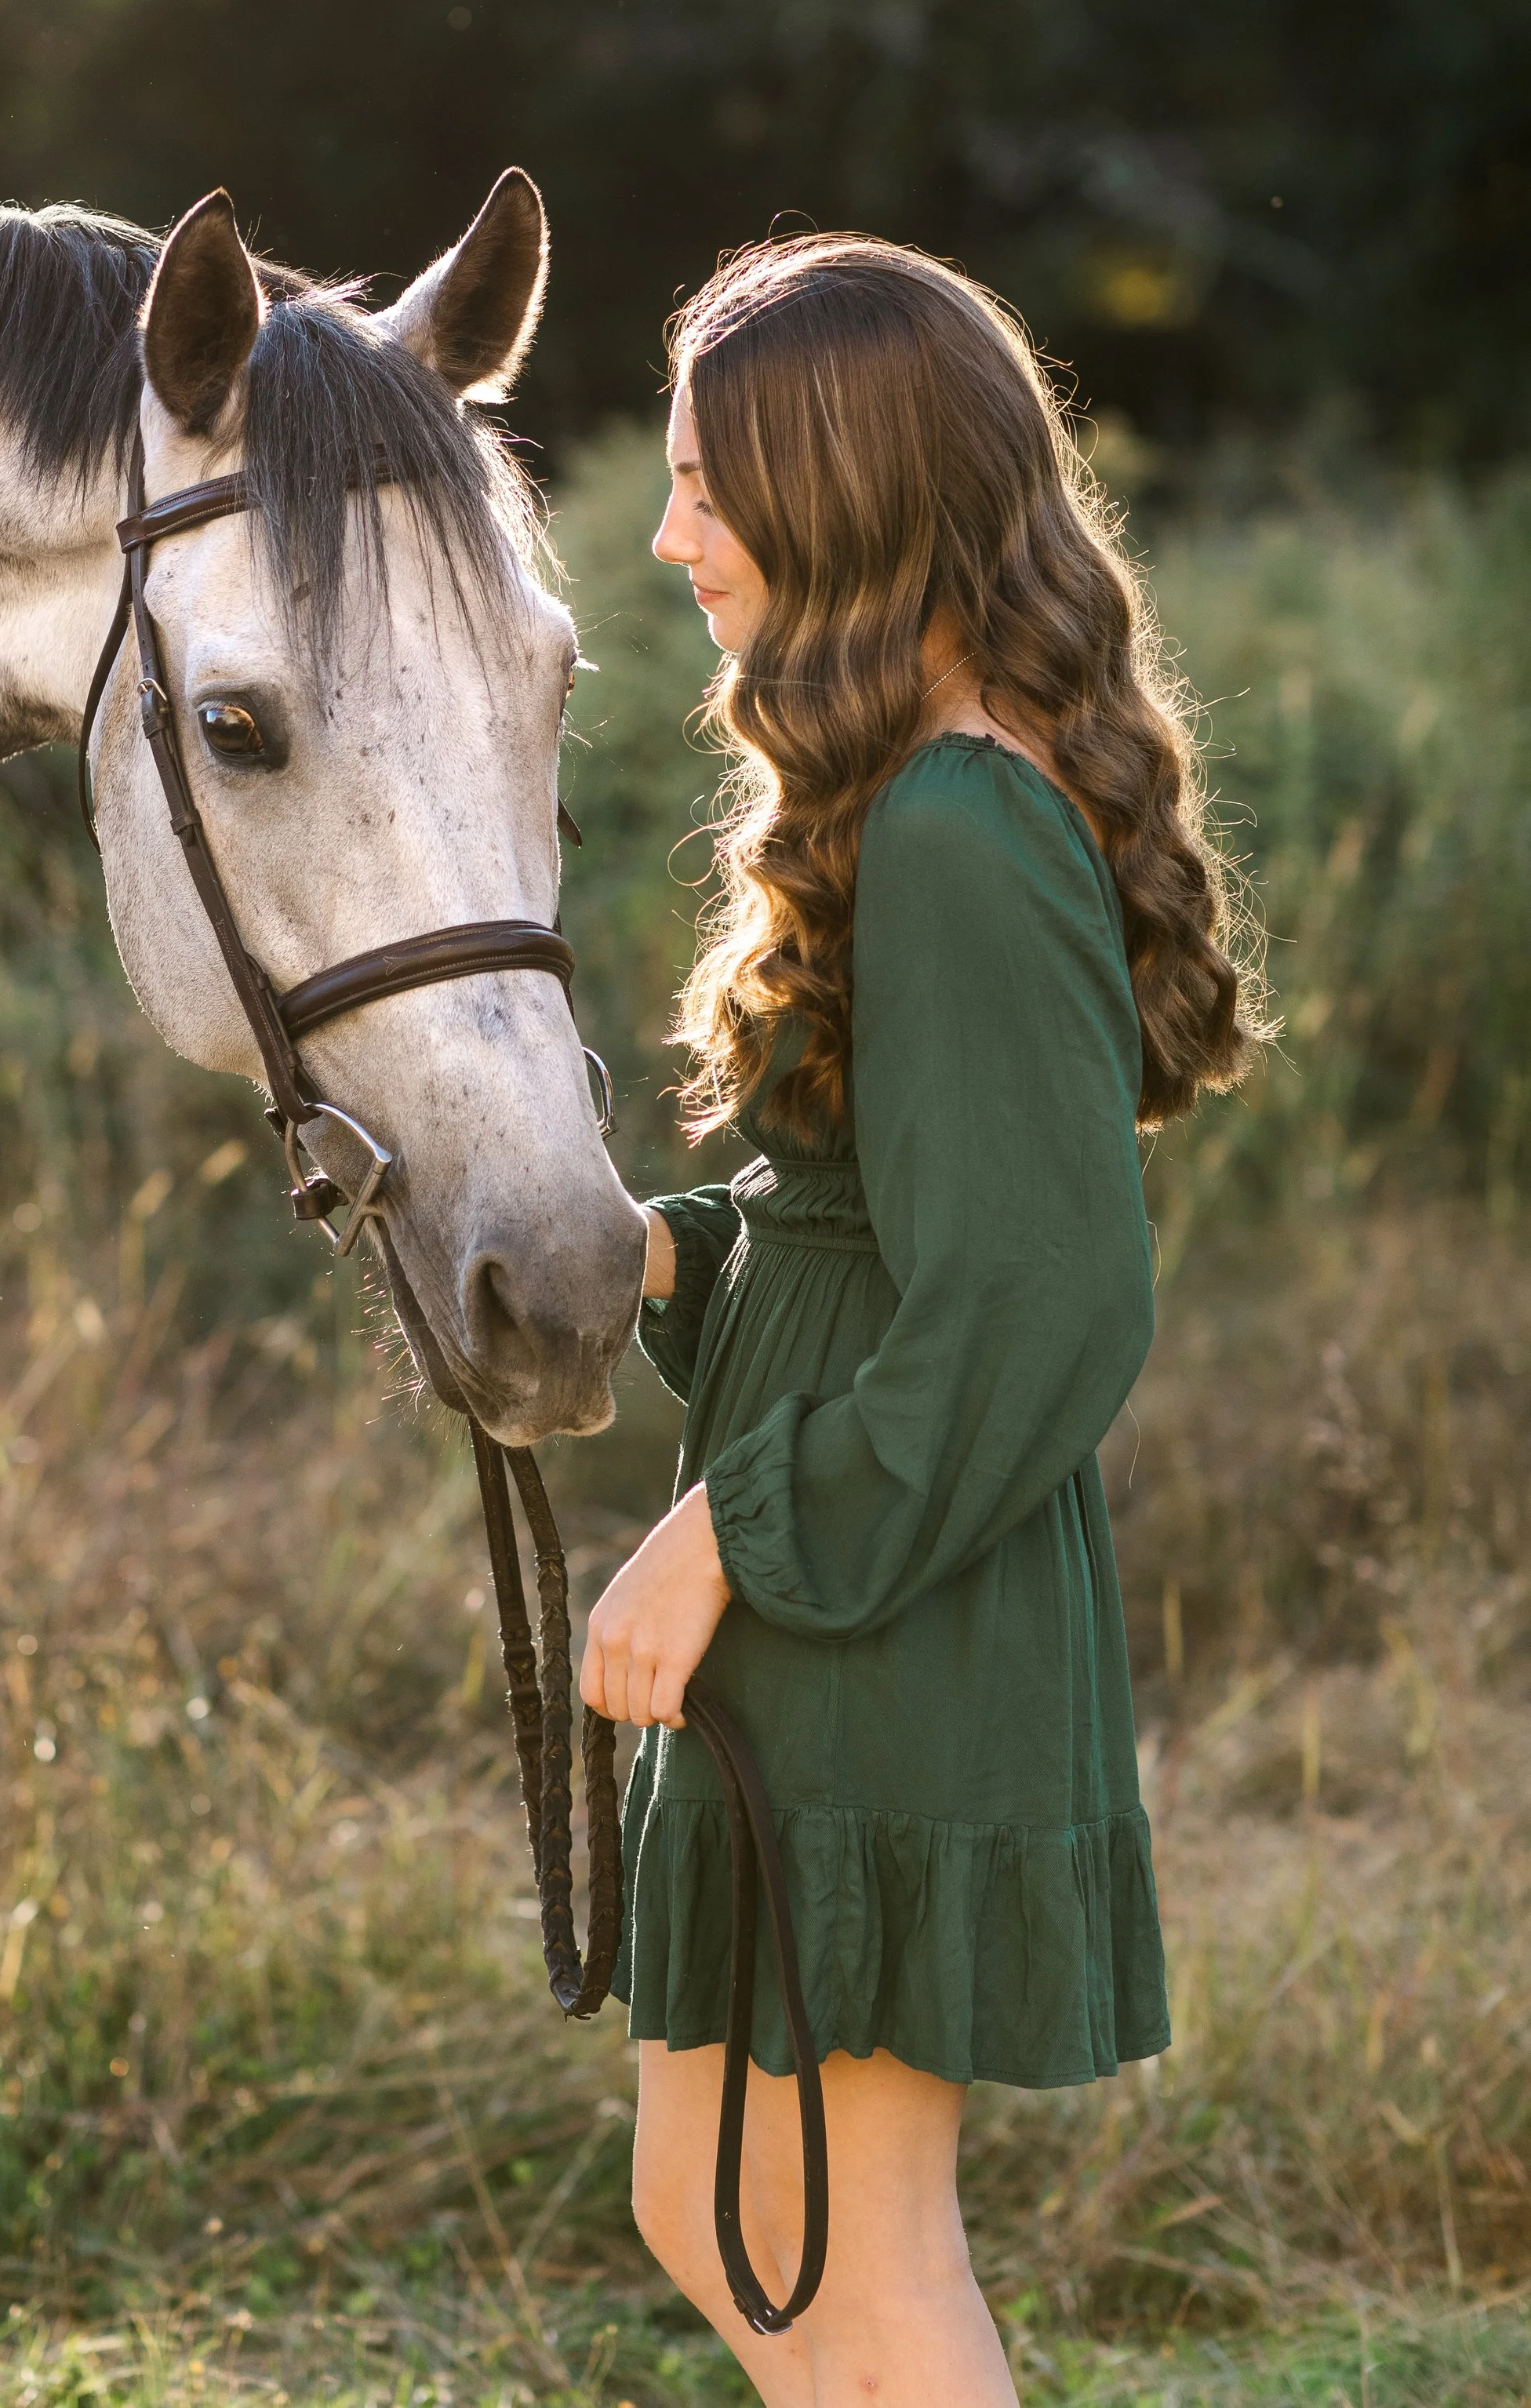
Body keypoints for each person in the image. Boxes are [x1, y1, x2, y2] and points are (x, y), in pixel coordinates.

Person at [577, 235, 1260, 2406]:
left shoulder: (964, 819)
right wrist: (661, 1251)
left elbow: (1042, 1300)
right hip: (856, 1604)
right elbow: (879, 1217)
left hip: (887, 1610)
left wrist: (724, 1534)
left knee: (838, 2263)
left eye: (706, 479)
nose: (670, 528)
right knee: (727, 2213)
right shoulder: (916, 791)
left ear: (841, 487)